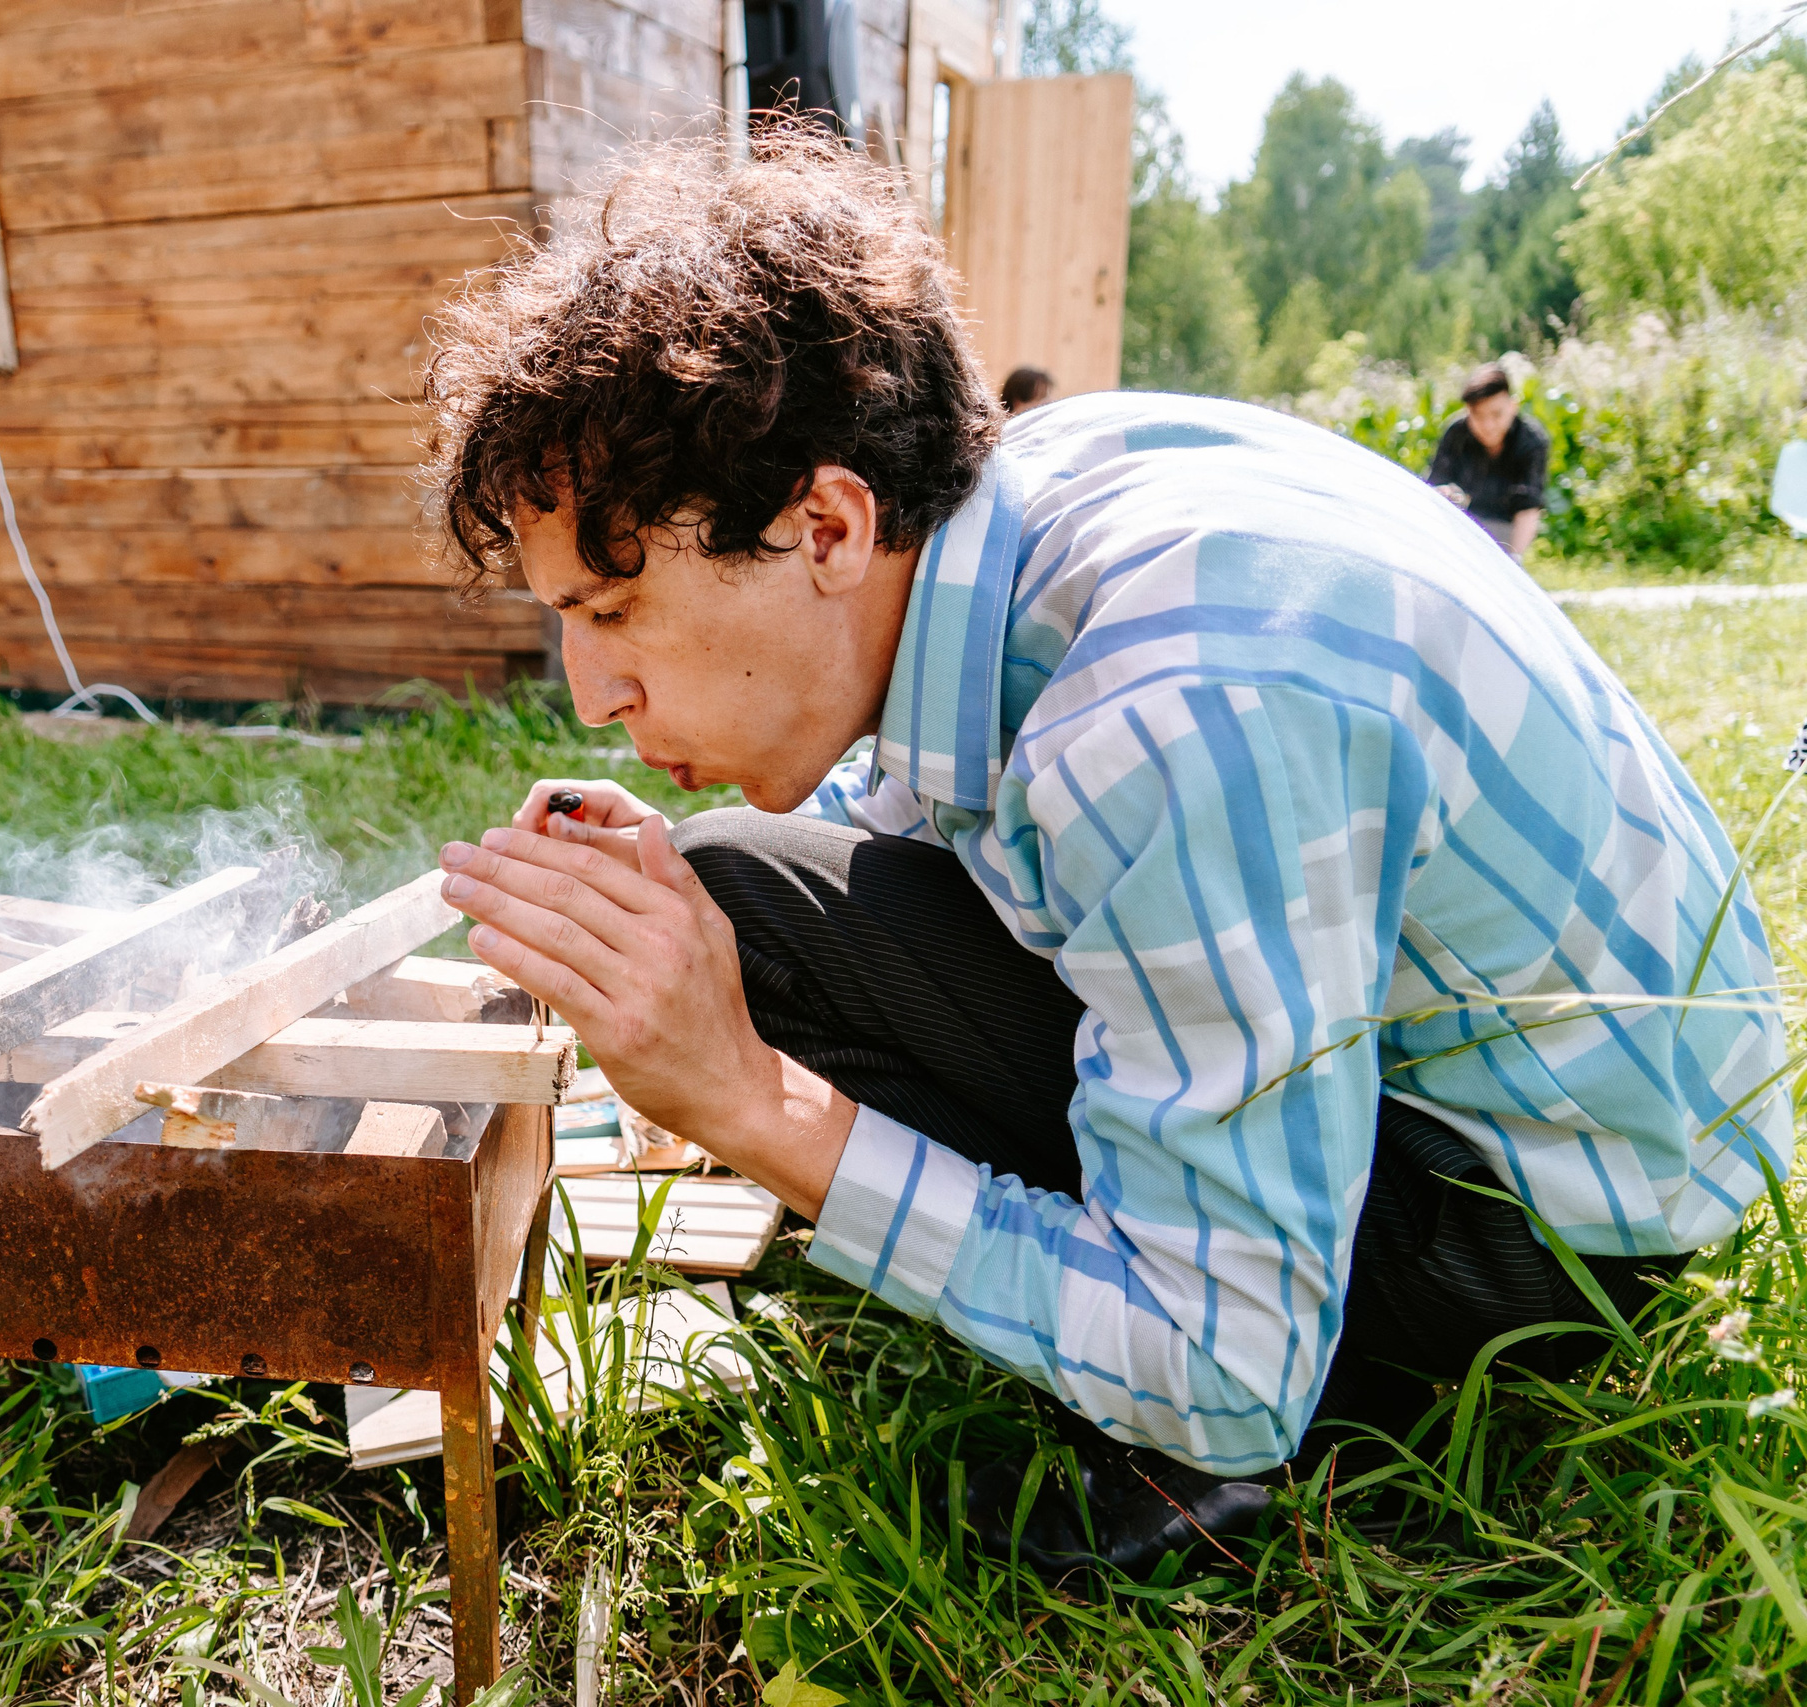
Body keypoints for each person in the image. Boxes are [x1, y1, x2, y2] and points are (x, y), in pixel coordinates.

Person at [418, 133, 1790, 1575]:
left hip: (1555, 1229)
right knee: (747, 890)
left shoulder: (1166, 723)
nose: (588, 691)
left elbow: (1227, 1377)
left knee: (1168, 1334)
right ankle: (1105, 1237)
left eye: (616, 612)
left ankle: (1186, 1483)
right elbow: (935, 805)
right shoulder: (1034, 491)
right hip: (1498, 1074)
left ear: (825, 523)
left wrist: (752, 1104)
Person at [1428, 362, 1549, 558]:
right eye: (1478, 416)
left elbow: (1528, 509)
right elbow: (1435, 486)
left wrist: (1513, 559)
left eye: (1496, 414)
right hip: (1459, 527)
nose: (1488, 425)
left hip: (1506, 533)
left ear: (1513, 406)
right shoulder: (1455, 433)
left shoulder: (1531, 440)